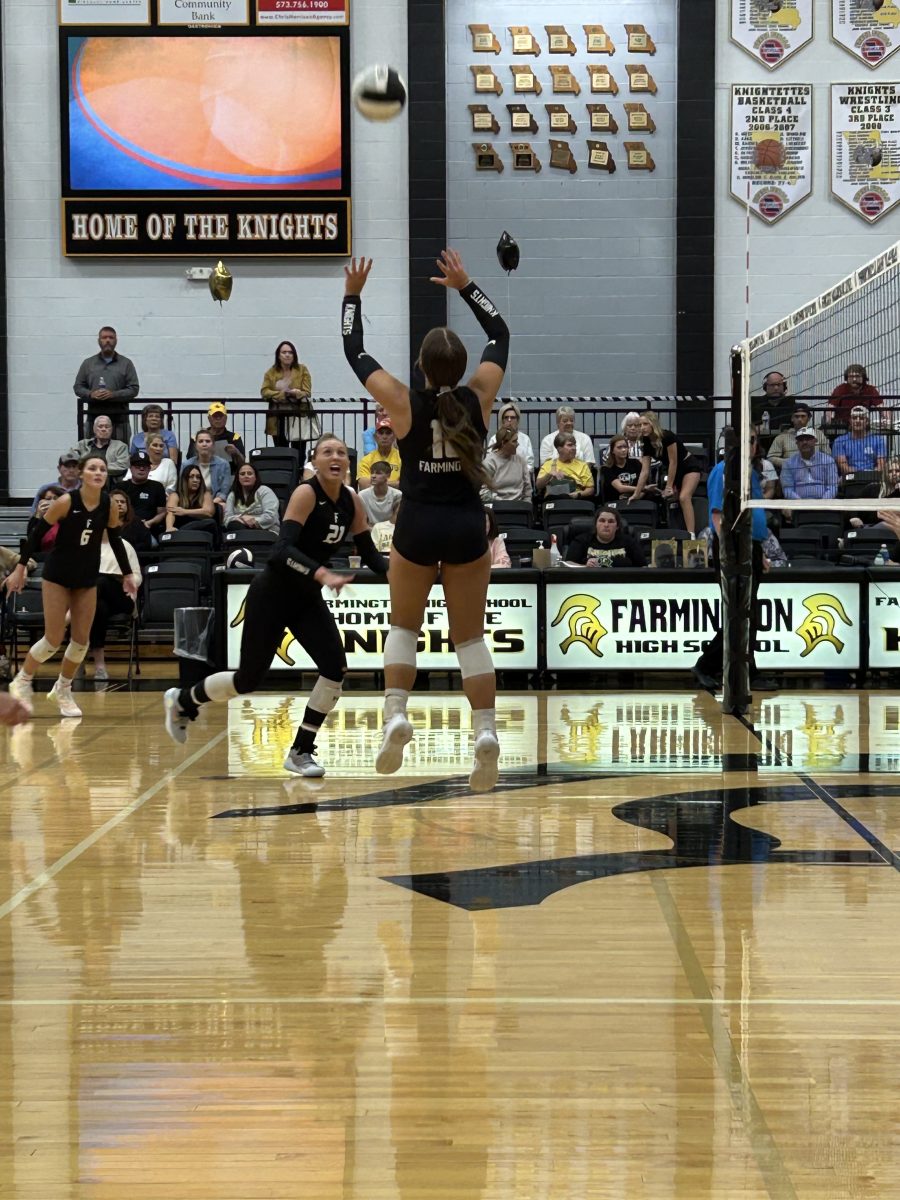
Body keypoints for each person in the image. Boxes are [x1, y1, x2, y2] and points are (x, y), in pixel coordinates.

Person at [340, 248, 509, 791]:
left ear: (419, 367)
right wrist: (465, 285)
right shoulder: (480, 394)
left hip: (416, 525)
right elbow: (500, 332)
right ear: (462, 367)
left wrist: (353, 295)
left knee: (404, 627)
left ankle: (395, 715)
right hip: (465, 525)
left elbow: (354, 348)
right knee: (469, 638)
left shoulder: (403, 402)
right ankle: (484, 731)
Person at [163, 434, 388, 777]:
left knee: (335, 669)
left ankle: (300, 751)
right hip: (272, 593)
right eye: (327, 451)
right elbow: (282, 551)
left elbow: (371, 556)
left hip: (305, 598)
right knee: (248, 679)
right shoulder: (305, 493)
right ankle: (183, 700)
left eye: (341, 452)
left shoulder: (352, 502)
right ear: (314, 461)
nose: (336, 456)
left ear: (348, 462)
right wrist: (321, 573)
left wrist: (411, 574)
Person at [5, 454, 138, 718]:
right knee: (53, 640)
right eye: (92, 468)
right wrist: (20, 568)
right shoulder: (66, 502)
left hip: (86, 577)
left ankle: (63, 689)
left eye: (102, 469)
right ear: (82, 474)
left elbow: (115, 540)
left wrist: (127, 575)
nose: (98, 472)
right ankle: (22, 679)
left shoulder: (108, 505)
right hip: (58, 575)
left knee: (81, 642)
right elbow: (36, 535)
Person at [692, 427, 775, 693]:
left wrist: (758, 551)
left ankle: (747, 671)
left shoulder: (748, 472)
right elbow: (718, 515)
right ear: (733, 444)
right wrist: (730, 551)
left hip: (750, 546)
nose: (752, 445)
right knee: (738, 613)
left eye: (754, 440)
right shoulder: (723, 471)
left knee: (746, 613)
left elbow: (755, 515)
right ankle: (707, 665)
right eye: (746, 440)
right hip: (733, 548)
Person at [89, 494, 143, 684]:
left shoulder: (124, 546)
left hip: (122, 598)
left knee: (102, 581)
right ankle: (100, 666)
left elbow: (137, 576)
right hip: (96, 601)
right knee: (99, 608)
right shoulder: (88, 548)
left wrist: (124, 581)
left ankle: (71, 617)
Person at [636, 412, 703, 537]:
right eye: (640, 425)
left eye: (645, 424)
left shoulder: (667, 436)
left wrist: (668, 486)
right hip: (675, 471)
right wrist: (636, 493)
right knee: (671, 500)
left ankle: (691, 534)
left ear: (653, 424)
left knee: (684, 497)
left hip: (688, 466)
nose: (642, 427)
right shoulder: (645, 442)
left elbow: (673, 462)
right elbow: (644, 471)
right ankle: (677, 532)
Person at [73, 326, 140, 441]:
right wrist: (90, 394)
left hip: (119, 421)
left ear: (116, 341)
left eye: (111, 337)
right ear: (99, 341)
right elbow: (78, 387)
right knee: (91, 455)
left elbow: (134, 389)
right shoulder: (88, 363)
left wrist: (113, 395)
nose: (108, 340)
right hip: (93, 419)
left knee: (120, 456)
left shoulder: (126, 363)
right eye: (104, 337)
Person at [261, 340, 315, 454]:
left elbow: (307, 392)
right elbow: (264, 391)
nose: (287, 355)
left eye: (290, 352)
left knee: (299, 451)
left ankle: (299, 470)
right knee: (281, 451)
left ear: (294, 355)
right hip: (278, 418)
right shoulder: (270, 372)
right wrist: (282, 394)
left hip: (298, 416)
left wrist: (296, 393)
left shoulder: (302, 369)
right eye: (284, 352)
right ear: (278, 355)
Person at [565, 507, 647, 567]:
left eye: (611, 522)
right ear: (596, 524)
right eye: (602, 521)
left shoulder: (629, 542)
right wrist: (585, 567)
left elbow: (643, 567)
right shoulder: (581, 540)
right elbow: (568, 564)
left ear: (617, 526)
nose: (606, 525)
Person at [119, 450, 168, 538]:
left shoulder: (157, 487)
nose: (141, 469)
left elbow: (162, 513)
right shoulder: (120, 487)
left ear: (149, 469)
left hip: (149, 529)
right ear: (131, 468)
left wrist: (149, 523)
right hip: (124, 528)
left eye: (145, 466)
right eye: (138, 466)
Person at [767, 403, 829, 470]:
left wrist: (815, 463)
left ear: (809, 418)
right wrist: (790, 463)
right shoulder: (782, 437)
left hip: (816, 472)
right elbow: (771, 457)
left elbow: (828, 455)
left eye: (803, 416)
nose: (799, 419)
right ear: (792, 418)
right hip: (791, 473)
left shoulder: (818, 434)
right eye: (796, 416)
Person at [780, 430, 840, 500]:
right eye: (801, 440)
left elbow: (833, 487)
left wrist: (822, 503)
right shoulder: (788, 463)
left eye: (808, 439)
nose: (804, 442)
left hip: (824, 505)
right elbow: (787, 490)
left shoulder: (828, 461)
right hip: (797, 506)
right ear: (797, 443)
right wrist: (800, 504)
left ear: (815, 441)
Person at [224, 462, 281, 532]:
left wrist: (253, 520)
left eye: (250, 473)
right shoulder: (232, 495)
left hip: (266, 530)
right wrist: (241, 518)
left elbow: (271, 517)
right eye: (242, 474)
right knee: (234, 525)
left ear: (255, 477)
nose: (246, 476)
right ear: (238, 478)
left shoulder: (265, 491)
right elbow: (227, 519)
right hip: (240, 528)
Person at [182, 429, 232, 508]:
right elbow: (182, 488)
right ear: (195, 445)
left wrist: (210, 504)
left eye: (208, 441)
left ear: (213, 445)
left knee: (223, 506)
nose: (204, 444)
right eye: (200, 441)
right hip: (191, 501)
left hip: (214, 502)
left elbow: (224, 492)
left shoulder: (223, 464)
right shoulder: (186, 464)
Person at [536, 433, 594, 499]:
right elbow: (538, 486)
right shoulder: (548, 464)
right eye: (570, 445)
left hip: (574, 500)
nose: (574, 448)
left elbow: (590, 489)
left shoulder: (582, 465)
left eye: (575, 445)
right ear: (559, 448)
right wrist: (550, 474)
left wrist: (578, 494)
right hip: (552, 500)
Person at [832, 406, 887, 476]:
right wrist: (863, 473)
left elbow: (881, 466)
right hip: (850, 480)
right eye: (854, 418)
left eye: (861, 418)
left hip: (873, 478)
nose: (857, 421)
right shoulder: (839, 441)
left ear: (867, 421)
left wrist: (867, 474)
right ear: (850, 421)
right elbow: (844, 468)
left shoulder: (879, 440)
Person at [482, 426, 531, 502]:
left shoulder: (521, 460)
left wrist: (527, 505)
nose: (517, 444)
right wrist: (503, 504)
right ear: (503, 443)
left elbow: (527, 489)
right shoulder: (489, 462)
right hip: (497, 507)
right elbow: (484, 492)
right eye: (514, 441)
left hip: (519, 507)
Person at [166, 465, 216, 535]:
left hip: (201, 531)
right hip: (180, 529)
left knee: (211, 523)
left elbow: (209, 512)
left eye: (198, 477)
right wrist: (169, 527)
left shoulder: (205, 494)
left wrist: (185, 512)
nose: (195, 480)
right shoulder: (175, 495)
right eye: (191, 477)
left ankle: (181, 531)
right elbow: (170, 513)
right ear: (185, 479)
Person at [75, 415, 129, 481]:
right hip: (85, 483)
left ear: (111, 429)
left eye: (107, 427)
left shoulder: (120, 446)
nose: (104, 429)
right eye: (100, 426)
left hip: (111, 486)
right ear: (94, 429)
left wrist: (93, 469)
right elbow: (74, 463)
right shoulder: (82, 445)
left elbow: (122, 466)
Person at [599, 435, 647, 504]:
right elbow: (620, 488)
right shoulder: (606, 468)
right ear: (612, 450)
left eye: (625, 447)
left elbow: (644, 485)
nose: (623, 450)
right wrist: (643, 489)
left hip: (636, 500)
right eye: (619, 447)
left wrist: (636, 497)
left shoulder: (636, 463)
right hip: (615, 503)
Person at [358, 417, 401, 487]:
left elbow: (405, 485)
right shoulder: (366, 460)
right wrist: (393, 483)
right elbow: (363, 484)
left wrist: (377, 482)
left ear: (394, 437)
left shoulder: (401, 457)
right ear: (375, 437)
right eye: (381, 433)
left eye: (388, 433)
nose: (384, 436)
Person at [357, 459, 401, 525]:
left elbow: (395, 520)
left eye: (378, 473)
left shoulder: (397, 495)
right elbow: (361, 522)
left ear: (388, 475)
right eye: (372, 473)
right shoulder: (362, 495)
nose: (373, 476)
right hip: (368, 531)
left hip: (389, 531)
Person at [497, 401, 535, 471]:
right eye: (506, 417)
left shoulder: (525, 439)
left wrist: (519, 474)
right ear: (502, 420)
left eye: (512, 417)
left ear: (517, 420)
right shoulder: (494, 439)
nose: (509, 420)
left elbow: (530, 464)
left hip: (522, 477)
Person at [205, 402, 245, 467]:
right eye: (215, 416)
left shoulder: (234, 437)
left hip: (230, 474)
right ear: (209, 418)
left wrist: (236, 452)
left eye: (221, 416)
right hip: (205, 473)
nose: (218, 419)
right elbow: (191, 461)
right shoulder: (198, 438)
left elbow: (243, 464)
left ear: (226, 418)